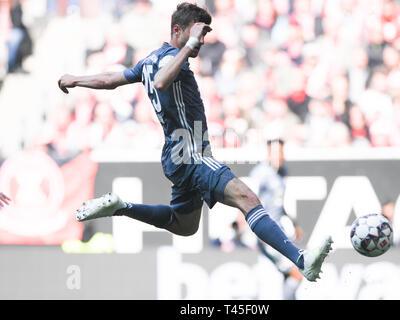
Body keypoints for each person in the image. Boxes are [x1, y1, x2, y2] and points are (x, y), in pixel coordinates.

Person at [58, 2, 332, 282]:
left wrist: (77, 79)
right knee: (247, 198)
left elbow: (112, 79)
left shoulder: (150, 60)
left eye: (203, 37)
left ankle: (121, 207)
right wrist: (188, 46)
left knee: (184, 226)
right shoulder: (169, 60)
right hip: (192, 154)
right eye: (196, 34)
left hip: (176, 156)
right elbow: (163, 82)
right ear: (177, 31)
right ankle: (301, 258)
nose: (200, 42)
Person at [249, 138, 304, 299]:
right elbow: (247, 200)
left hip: (279, 232)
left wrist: (294, 223)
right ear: (268, 154)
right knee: (296, 274)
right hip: (268, 234)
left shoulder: (281, 172)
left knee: (285, 276)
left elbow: (280, 202)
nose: (278, 156)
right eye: (274, 152)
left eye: (280, 152)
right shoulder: (260, 173)